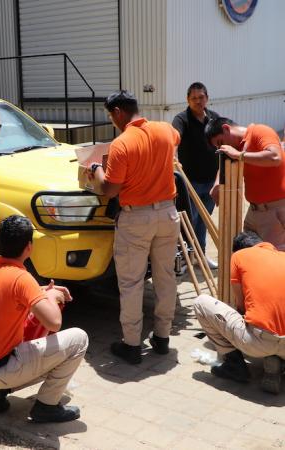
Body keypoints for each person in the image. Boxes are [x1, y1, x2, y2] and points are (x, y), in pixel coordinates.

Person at [88, 90, 180, 364]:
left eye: (110, 116)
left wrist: (96, 173)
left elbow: (110, 190)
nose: (111, 121)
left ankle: (131, 344)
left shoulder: (122, 143)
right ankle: (162, 338)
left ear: (117, 112)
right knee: (165, 277)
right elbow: (177, 139)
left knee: (131, 283)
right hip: (167, 213)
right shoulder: (165, 130)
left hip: (136, 218)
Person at [0, 215, 88, 422]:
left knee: (37, 332)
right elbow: (54, 322)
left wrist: (44, 292)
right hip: (3, 368)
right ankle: (46, 406)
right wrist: (51, 296)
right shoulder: (22, 278)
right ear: (29, 247)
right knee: (78, 339)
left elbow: (13, 294)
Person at [194, 232, 285, 394]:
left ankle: (234, 365)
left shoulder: (239, 256)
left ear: (238, 250)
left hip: (258, 342)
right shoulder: (282, 256)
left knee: (201, 303)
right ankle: (277, 360)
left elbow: (241, 306)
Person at [205, 117, 285, 250]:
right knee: (248, 253)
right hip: (254, 212)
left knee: (274, 259)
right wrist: (217, 183)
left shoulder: (259, 131)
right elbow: (224, 164)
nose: (222, 147)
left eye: (220, 142)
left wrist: (239, 155)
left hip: (275, 211)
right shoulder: (236, 148)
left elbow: (274, 157)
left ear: (226, 129)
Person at [172, 82, 220, 269]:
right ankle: (184, 258)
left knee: (203, 221)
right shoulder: (181, 119)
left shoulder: (214, 118)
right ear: (188, 100)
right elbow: (174, 137)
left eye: (201, 97)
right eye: (194, 98)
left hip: (210, 181)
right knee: (188, 223)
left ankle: (200, 256)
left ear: (207, 98)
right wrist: (173, 154)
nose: (198, 101)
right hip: (189, 182)